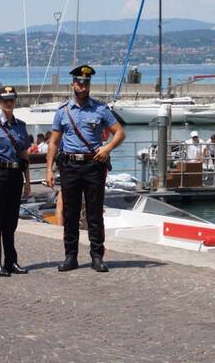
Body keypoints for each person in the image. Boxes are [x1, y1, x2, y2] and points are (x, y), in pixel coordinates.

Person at [45, 65, 126, 273]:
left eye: (86, 83)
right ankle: (70, 256)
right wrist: (49, 170)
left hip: (93, 165)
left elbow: (119, 133)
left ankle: (97, 256)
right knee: (71, 213)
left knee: (94, 213)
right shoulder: (63, 112)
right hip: (70, 165)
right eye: (80, 83)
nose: (83, 86)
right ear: (73, 84)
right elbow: (54, 142)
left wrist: (107, 148)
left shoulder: (100, 109)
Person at [0, 86, 32, 277]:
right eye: (5, 100)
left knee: (11, 222)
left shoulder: (21, 126)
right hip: (0, 175)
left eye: (11, 100)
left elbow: (25, 155)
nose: (8, 103)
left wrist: (27, 182)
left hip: (16, 176)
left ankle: (11, 261)